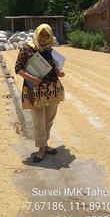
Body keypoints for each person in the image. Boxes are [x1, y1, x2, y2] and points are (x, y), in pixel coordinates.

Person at [15, 24, 65, 162]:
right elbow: (18, 69)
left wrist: (59, 73)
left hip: (51, 90)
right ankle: (41, 148)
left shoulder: (50, 51)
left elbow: (55, 69)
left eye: (46, 35)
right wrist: (33, 79)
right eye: (41, 34)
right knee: (38, 121)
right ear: (36, 34)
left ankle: (46, 144)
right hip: (34, 90)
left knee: (49, 119)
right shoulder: (27, 48)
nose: (43, 38)